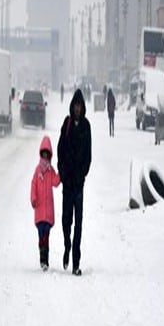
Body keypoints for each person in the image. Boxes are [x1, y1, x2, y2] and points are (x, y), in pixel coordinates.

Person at [57, 88, 92, 276]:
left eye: (80, 105)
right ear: (72, 106)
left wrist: (82, 175)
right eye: (75, 105)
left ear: (83, 106)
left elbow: (89, 155)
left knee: (78, 223)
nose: (77, 108)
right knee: (66, 221)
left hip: (79, 184)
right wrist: (62, 172)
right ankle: (67, 246)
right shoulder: (67, 123)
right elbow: (60, 148)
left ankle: (76, 262)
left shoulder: (86, 126)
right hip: (67, 182)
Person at [30, 135, 61, 270]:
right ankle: (42, 258)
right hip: (39, 209)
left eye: (47, 155)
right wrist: (33, 198)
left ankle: (45, 260)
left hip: (47, 212)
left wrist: (61, 172)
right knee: (41, 236)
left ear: (49, 156)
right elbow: (33, 185)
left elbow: (55, 182)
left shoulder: (50, 170)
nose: (45, 157)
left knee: (46, 236)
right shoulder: (37, 171)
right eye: (43, 154)